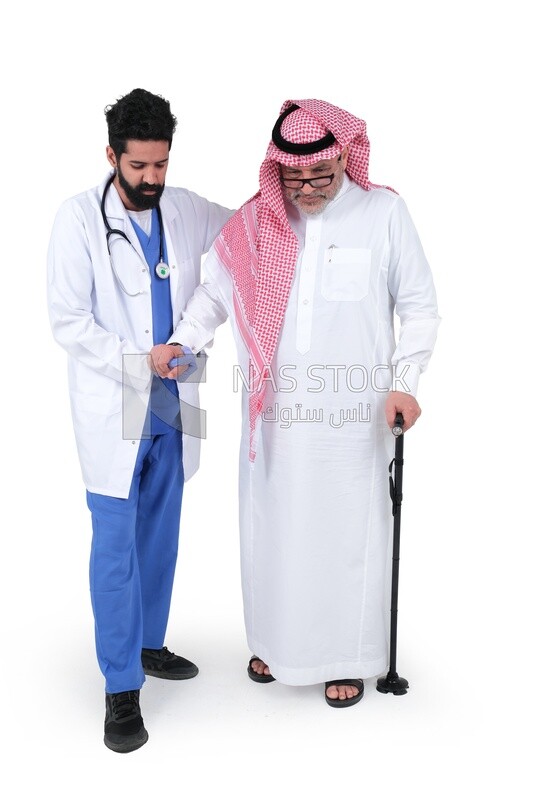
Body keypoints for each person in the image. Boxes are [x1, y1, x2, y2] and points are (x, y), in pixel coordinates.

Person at [151, 99, 440, 709]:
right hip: (275, 414)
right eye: (294, 177)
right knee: (273, 529)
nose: (307, 189)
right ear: (276, 168)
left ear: (342, 160)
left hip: (354, 417)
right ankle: (274, 644)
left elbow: (418, 305)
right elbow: (214, 294)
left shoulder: (383, 213)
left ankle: (346, 657)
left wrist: (406, 382)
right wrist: (184, 341)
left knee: (345, 533)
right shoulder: (261, 220)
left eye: (321, 176)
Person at [47, 88, 233, 752]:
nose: (153, 179)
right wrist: (139, 359)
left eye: (162, 165)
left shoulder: (184, 208)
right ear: (112, 156)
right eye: (139, 167)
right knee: (115, 550)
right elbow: (69, 323)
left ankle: (150, 644)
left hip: (173, 402)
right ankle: (120, 688)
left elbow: (245, 229)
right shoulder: (76, 221)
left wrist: (290, 177)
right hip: (115, 404)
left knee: (161, 536)